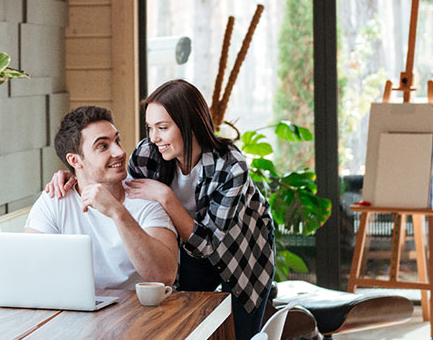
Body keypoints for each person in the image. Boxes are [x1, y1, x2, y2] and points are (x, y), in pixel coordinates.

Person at [46, 80, 275, 340]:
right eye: (150, 128)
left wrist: (167, 198)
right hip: (188, 250)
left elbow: (209, 245)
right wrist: (74, 173)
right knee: (188, 326)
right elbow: (118, 185)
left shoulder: (230, 166)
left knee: (239, 334)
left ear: (189, 125)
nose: (154, 138)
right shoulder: (149, 153)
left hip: (241, 251)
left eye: (163, 128)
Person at [25, 105, 178, 289]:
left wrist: (117, 212)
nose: (120, 152)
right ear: (75, 160)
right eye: (103, 146)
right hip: (77, 312)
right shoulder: (55, 200)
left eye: (117, 141)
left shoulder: (145, 195)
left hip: (140, 313)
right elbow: (29, 270)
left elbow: (165, 276)